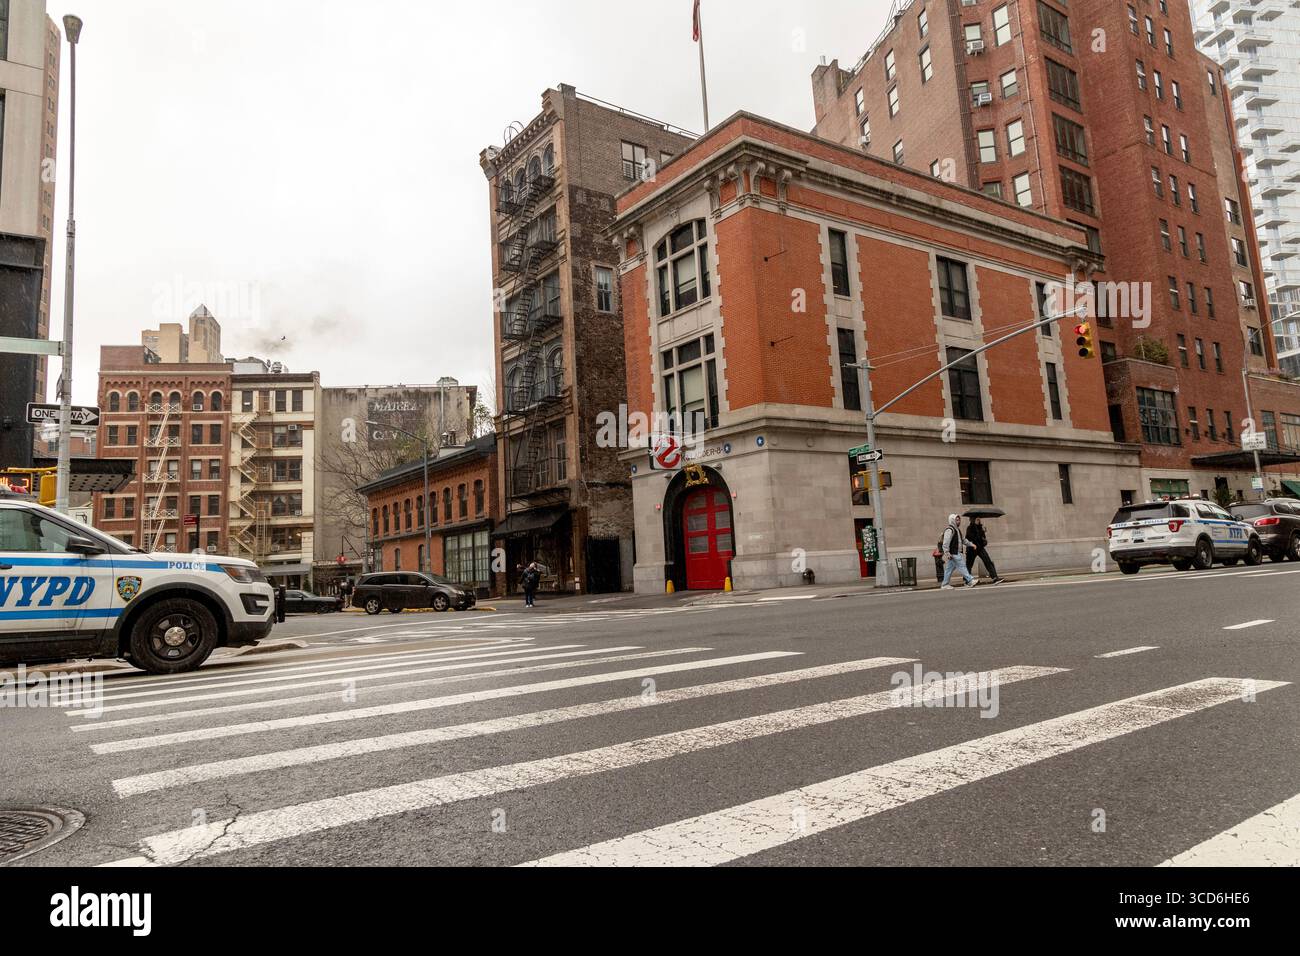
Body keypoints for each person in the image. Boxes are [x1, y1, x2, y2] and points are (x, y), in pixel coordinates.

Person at [940, 514, 978, 590]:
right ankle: (970, 580)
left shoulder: (957, 530)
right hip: (954, 553)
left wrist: (971, 544)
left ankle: (944, 584)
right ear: (952, 520)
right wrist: (947, 553)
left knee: (949, 569)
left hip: (956, 552)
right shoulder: (950, 530)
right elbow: (945, 543)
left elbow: (963, 540)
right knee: (962, 566)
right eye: (957, 520)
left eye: (959, 520)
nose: (959, 521)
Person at [964, 517, 1005, 585]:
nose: (979, 520)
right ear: (973, 520)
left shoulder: (980, 528)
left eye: (979, 519)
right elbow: (971, 538)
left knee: (988, 561)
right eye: (977, 519)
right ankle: (967, 580)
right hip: (972, 549)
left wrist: (983, 532)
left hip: (980, 548)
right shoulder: (969, 528)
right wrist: (979, 532)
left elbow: (983, 538)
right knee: (969, 565)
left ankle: (995, 578)